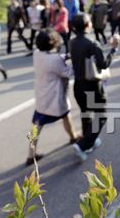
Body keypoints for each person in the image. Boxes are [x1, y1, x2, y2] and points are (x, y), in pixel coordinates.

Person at [69, 14, 120, 161]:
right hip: (92, 86)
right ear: (87, 25)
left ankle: (89, 141)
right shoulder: (92, 43)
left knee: (85, 112)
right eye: (90, 21)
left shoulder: (72, 42)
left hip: (78, 85)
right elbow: (103, 64)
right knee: (101, 115)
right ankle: (82, 145)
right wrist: (113, 49)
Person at [27, 29, 78, 166]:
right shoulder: (55, 60)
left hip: (42, 95)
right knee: (66, 115)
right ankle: (73, 137)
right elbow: (67, 72)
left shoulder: (37, 54)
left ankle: (30, 154)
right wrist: (77, 61)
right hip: (54, 96)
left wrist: (66, 56)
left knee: (37, 125)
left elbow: (54, 58)